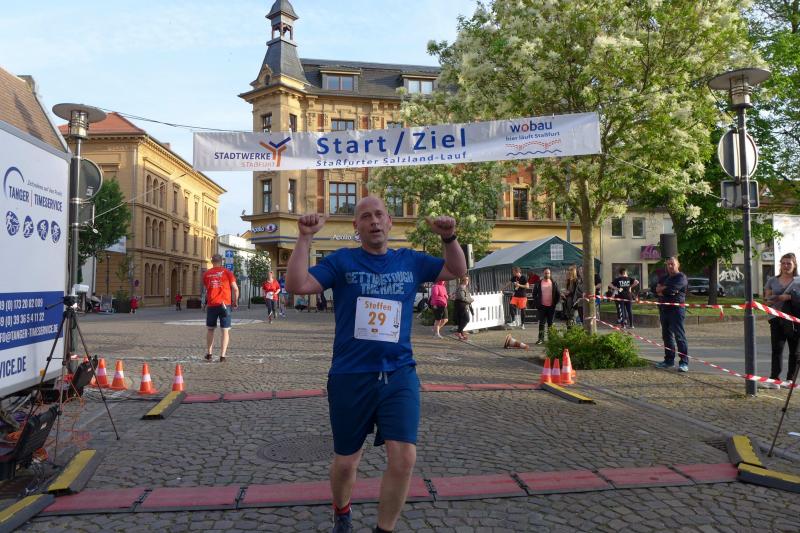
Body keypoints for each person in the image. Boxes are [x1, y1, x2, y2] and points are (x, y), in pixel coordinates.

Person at [285, 196, 465, 533]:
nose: (374, 221)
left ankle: (384, 529)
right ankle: (342, 512)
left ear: (389, 221)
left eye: (379, 215)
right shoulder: (342, 261)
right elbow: (297, 285)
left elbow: (457, 271)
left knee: (404, 457)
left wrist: (449, 237)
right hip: (350, 375)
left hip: (399, 373)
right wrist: (305, 238)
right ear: (356, 226)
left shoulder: (410, 261)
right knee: (346, 463)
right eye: (366, 216)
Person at [763, 253, 800, 389]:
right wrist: (774, 298)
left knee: (794, 351)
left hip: (794, 319)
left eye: (789, 263)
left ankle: (790, 379)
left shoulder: (798, 280)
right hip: (776, 318)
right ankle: (774, 379)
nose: (786, 266)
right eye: (783, 263)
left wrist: (790, 297)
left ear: (794, 265)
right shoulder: (772, 280)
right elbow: (766, 300)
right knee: (777, 349)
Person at [653, 256, 689, 372]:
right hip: (664, 309)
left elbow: (671, 290)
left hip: (676, 310)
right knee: (667, 336)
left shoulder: (681, 277)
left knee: (679, 336)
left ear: (678, 265)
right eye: (668, 264)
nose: (670, 266)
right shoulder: (664, 277)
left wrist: (662, 290)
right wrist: (663, 290)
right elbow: (654, 289)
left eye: (672, 264)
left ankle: (684, 362)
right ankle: (669, 360)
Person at [203, 254, 239, 362]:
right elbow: (235, 289)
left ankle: (209, 353)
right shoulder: (227, 272)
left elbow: (207, 290)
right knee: (225, 331)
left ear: (212, 261)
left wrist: (205, 303)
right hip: (225, 305)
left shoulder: (206, 274)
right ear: (221, 261)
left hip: (212, 304)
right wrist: (235, 301)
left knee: (210, 329)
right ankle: (222, 356)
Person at [532, 267, 561, 344]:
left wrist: (555, 303)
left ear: (550, 274)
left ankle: (551, 339)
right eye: (545, 273)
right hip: (542, 306)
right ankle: (541, 339)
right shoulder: (538, 283)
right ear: (543, 274)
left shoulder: (554, 283)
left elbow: (558, 294)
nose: (547, 274)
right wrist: (537, 303)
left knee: (550, 323)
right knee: (541, 323)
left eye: (548, 273)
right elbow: (534, 294)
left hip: (551, 306)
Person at [452, 275, 474, 340]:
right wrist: (471, 300)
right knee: (467, 319)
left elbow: (466, 296)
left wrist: (470, 299)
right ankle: (458, 332)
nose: (467, 281)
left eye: (468, 280)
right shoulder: (461, 287)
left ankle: (460, 334)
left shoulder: (464, 287)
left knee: (461, 320)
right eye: (466, 280)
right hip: (461, 305)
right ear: (463, 281)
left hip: (462, 305)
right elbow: (462, 297)